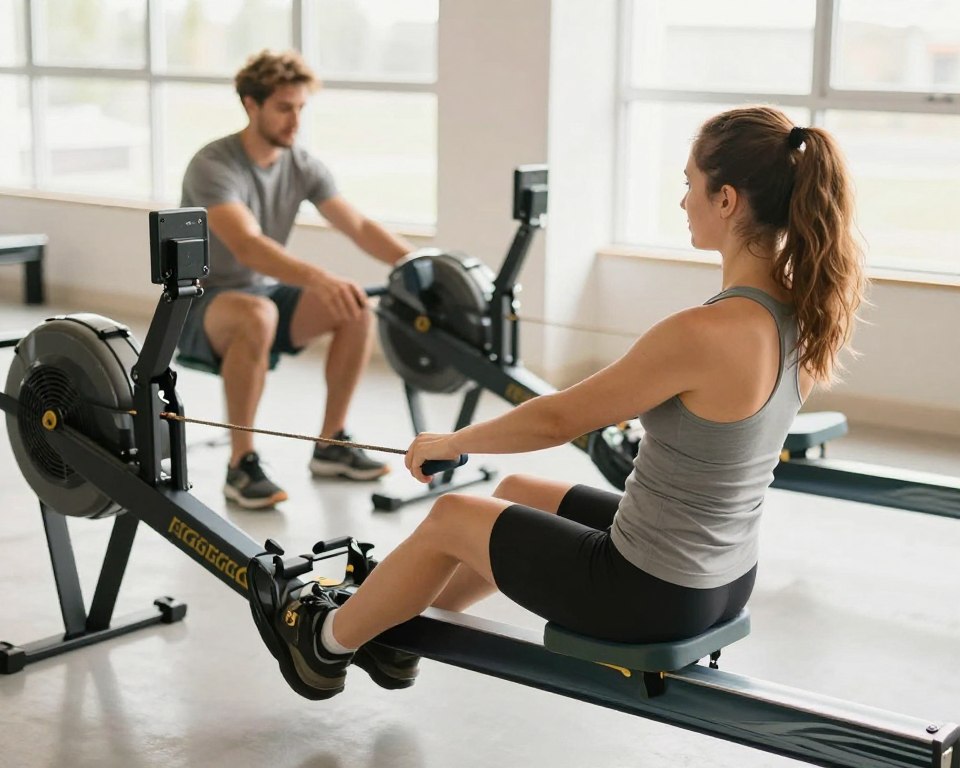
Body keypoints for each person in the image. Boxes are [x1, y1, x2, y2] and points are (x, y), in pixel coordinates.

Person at [246, 106, 866, 699]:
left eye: (690, 185)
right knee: (515, 489)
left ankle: (324, 644)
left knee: (451, 516)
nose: (683, 202)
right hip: (725, 578)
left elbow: (557, 419)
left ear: (726, 199)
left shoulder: (704, 332)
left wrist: (452, 442)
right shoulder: (803, 312)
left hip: (651, 592)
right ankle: (397, 631)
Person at [178, 50, 414, 510]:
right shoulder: (213, 165)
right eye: (284, 108)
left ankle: (330, 444)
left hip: (260, 293)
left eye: (301, 108)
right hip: (200, 302)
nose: (296, 121)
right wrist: (318, 277)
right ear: (251, 104)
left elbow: (358, 225)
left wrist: (418, 264)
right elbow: (247, 245)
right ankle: (241, 464)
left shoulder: (300, 163)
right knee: (259, 313)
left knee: (354, 306)